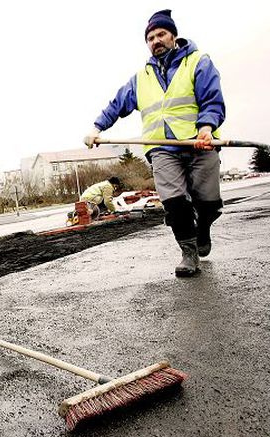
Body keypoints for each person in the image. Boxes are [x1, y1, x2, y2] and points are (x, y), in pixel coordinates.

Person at [84, 9, 225, 277]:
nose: (155, 40)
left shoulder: (198, 62)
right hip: (161, 149)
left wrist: (206, 128)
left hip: (198, 143)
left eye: (161, 34)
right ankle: (189, 252)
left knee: (207, 201)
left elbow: (212, 99)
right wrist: (96, 128)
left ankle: (203, 227)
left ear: (173, 36)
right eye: (150, 37)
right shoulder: (141, 78)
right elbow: (117, 104)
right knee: (174, 202)